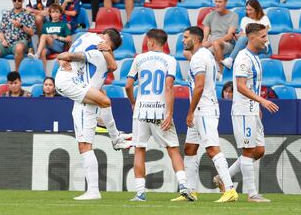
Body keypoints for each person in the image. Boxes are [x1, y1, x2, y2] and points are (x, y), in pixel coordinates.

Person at [55, 29, 132, 200]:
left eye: (105, 45)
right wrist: (63, 57)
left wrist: (62, 57)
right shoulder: (95, 48)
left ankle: (94, 191)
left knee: (84, 147)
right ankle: (116, 138)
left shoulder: (96, 50)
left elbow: (110, 67)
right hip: (69, 84)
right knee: (104, 101)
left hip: (78, 96)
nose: (101, 44)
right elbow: (110, 66)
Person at [125, 29, 195, 202]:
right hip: (160, 111)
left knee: (140, 149)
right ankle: (183, 186)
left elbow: (128, 86)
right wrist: (169, 113)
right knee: (172, 149)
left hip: (141, 111)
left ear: (150, 42)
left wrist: (133, 102)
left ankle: (140, 193)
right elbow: (169, 87)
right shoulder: (170, 60)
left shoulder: (139, 59)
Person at [171, 26, 238, 203]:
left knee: (212, 148)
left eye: (186, 37)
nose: (183, 40)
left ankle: (230, 189)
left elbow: (199, 86)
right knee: (190, 148)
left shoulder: (198, 58)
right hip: (203, 108)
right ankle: (191, 192)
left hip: (204, 109)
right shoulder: (206, 55)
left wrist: (190, 111)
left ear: (196, 39)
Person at [221, 23, 279, 202]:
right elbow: (240, 86)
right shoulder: (243, 58)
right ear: (252, 37)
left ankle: (225, 177)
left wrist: (258, 106)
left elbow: (253, 85)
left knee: (259, 150)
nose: (266, 40)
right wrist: (261, 100)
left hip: (253, 109)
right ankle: (252, 194)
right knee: (248, 151)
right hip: (243, 110)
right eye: (263, 36)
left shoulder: (254, 57)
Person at [221, 0, 271, 70]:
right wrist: (237, 36)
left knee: (245, 37)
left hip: (261, 45)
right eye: (247, 9)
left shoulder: (264, 18)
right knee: (237, 38)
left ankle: (230, 59)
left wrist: (249, 35)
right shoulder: (244, 19)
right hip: (247, 44)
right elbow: (242, 34)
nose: (248, 12)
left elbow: (264, 33)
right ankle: (229, 61)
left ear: (256, 9)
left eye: (250, 10)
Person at [28, 4, 71, 72]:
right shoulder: (46, 25)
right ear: (50, 14)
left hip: (59, 46)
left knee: (44, 36)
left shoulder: (63, 25)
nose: (55, 14)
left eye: (57, 12)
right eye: (53, 12)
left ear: (60, 14)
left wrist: (58, 37)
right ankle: (44, 73)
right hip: (49, 47)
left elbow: (69, 39)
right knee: (43, 52)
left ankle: (36, 55)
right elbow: (43, 40)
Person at [201, 0, 238, 72]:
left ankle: (222, 73)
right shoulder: (210, 15)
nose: (217, 4)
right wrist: (203, 43)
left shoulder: (233, 16)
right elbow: (205, 35)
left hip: (226, 43)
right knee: (189, 51)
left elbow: (229, 36)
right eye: (216, 1)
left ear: (225, 3)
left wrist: (211, 42)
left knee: (216, 43)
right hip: (212, 43)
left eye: (220, 2)